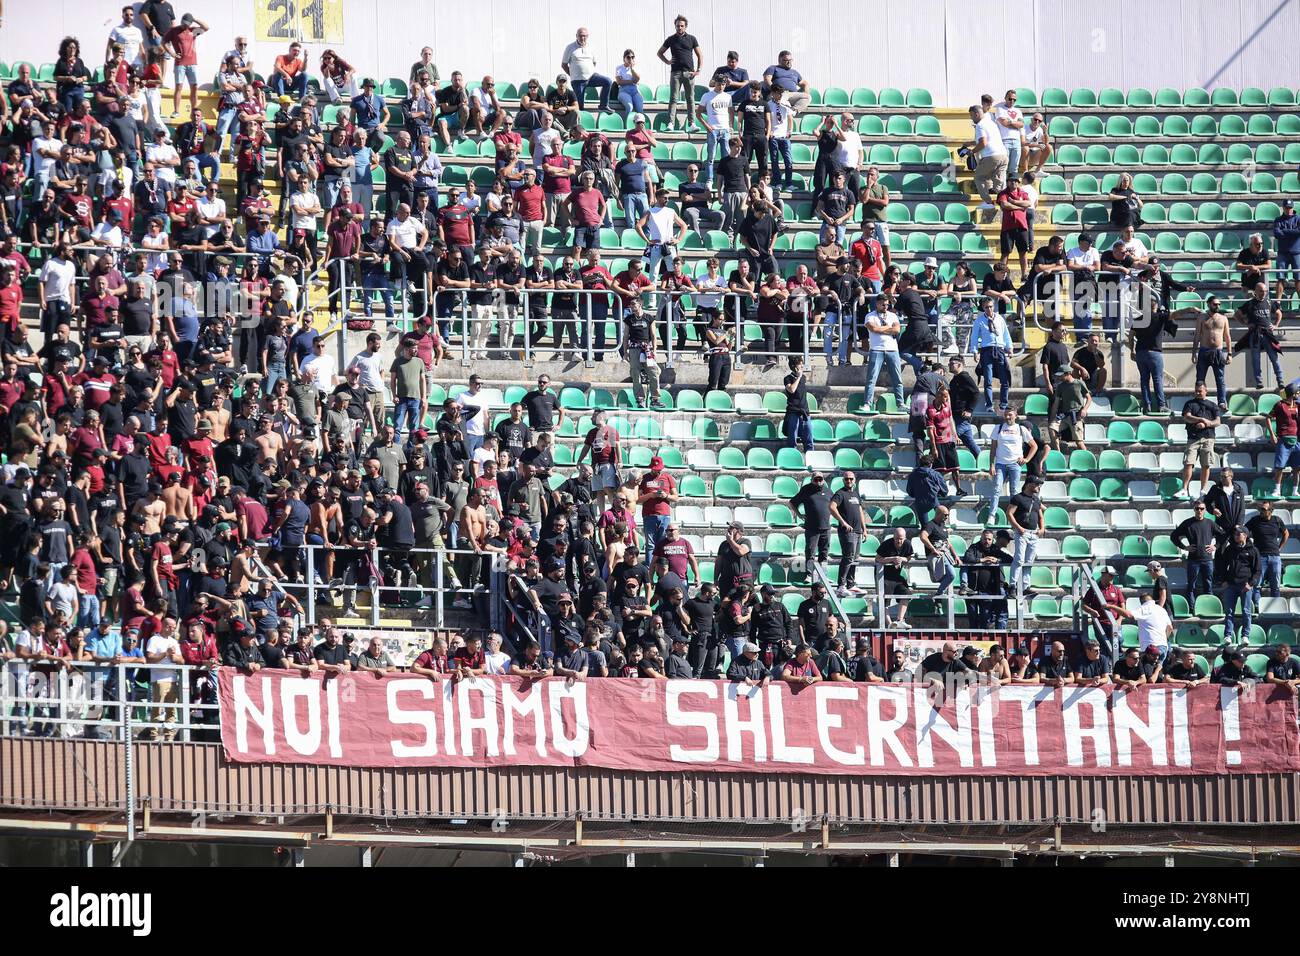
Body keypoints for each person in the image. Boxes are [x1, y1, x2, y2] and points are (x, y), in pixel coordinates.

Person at [987, 406, 1037, 523]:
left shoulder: (1021, 429)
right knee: (996, 489)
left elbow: (1034, 446)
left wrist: (1026, 459)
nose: (1008, 417)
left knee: (1014, 491)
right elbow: (993, 448)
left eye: (1010, 414)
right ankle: (992, 516)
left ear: (1016, 415)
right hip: (1000, 464)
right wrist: (991, 464)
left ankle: (1013, 517)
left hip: (1015, 464)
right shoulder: (998, 428)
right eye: (1006, 414)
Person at [967, 297, 1013, 413]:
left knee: (1005, 379)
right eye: (986, 307)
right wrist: (975, 351)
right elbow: (974, 337)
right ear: (983, 308)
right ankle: (989, 405)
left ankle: (1003, 404)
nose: (989, 309)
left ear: (994, 306)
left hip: (1000, 349)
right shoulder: (979, 321)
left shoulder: (1000, 319)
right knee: (987, 380)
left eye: (991, 306)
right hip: (987, 350)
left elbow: (1005, 334)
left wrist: (1010, 348)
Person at [657, 15, 702, 130]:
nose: (680, 28)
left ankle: (692, 123)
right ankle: (671, 123)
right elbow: (660, 52)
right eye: (678, 26)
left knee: (690, 99)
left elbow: (699, 55)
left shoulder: (692, 39)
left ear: (685, 26)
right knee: (673, 99)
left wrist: (698, 70)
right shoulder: (670, 39)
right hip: (675, 73)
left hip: (689, 73)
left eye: (682, 26)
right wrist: (667, 61)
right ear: (675, 26)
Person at [1217, 525, 1260, 643]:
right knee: (1229, 611)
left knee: (1246, 611)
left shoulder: (1253, 550)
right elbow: (1222, 566)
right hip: (1231, 585)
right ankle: (1228, 635)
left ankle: (1245, 635)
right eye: (1235, 534)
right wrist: (1223, 580)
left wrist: (1250, 584)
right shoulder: (1229, 549)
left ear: (1245, 535)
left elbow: (1257, 570)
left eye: (1238, 534)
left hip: (1245, 586)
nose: (1235, 536)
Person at [965, 103, 1008, 216]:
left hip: (991, 156)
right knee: (998, 182)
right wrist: (968, 143)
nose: (971, 118)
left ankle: (988, 202)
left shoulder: (980, 125)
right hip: (1003, 155)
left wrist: (972, 151)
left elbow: (983, 143)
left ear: (976, 114)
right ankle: (1004, 202)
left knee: (979, 177)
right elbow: (985, 140)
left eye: (971, 116)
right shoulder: (991, 123)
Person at [1171, 500, 1218, 602]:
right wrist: (1184, 547)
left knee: (1208, 585)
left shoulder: (1210, 523)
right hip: (1193, 560)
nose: (1199, 511)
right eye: (1197, 508)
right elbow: (1173, 536)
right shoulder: (1188, 523)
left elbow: (1223, 535)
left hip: (1207, 559)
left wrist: (1215, 546)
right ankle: (1192, 607)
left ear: (1205, 510)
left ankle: (1208, 606)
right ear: (1194, 509)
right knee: (1191, 585)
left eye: (1202, 509)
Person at [1007, 473, 1043, 597]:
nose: (1039, 487)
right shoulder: (1018, 498)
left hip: (1034, 534)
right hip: (1022, 533)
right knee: (1019, 559)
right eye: (1037, 484)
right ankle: (1012, 585)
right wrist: (1018, 527)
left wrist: (1042, 528)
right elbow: (1009, 513)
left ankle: (1026, 586)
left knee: (1029, 561)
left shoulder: (1036, 499)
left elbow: (1040, 516)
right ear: (1029, 484)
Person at [1246, 499, 1288, 603]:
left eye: (1263, 509)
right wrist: (1250, 546)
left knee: (1275, 586)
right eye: (1260, 509)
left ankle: (1276, 607)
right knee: (1257, 585)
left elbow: (1286, 533)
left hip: (1275, 557)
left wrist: (1280, 547)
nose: (1261, 511)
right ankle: (1258, 606)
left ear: (1270, 510)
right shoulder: (1254, 520)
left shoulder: (1277, 520)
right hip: (1260, 557)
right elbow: (1244, 532)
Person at [1193, 298, 1231, 410]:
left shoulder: (1223, 318)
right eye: (1215, 304)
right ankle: (1199, 401)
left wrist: (1229, 353)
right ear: (1209, 304)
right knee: (1200, 378)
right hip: (1204, 350)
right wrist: (1194, 352)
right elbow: (1197, 336)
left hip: (1218, 351)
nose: (1217, 306)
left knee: (1220, 379)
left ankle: (1222, 402)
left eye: (1219, 304)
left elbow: (1227, 337)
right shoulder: (1202, 317)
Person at [790, 473, 832, 572]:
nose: (818, 481)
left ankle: (823, 574)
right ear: (811, 480)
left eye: (820, 479)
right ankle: (809, 573)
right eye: (816, 479)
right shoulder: (806, 489)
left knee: (824, 553)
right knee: (810, 552)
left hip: (826, 528)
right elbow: (792, 502)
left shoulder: (828, 491)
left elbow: (835, 506)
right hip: (811, 528)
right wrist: (799, 515)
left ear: (823, 480)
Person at [874, 526, 913, 629]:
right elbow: (877, 559)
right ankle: (889, 623)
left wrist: (901, 559)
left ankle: (900, 620)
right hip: (884, 575)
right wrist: (892, 559)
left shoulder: (907, 544)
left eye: (901, 539)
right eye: (897, 539)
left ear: (904, 538)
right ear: (893, 537)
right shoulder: (887, 544)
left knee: (906, 593)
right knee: (884, 599)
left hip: (896, 575)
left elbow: (909, 557)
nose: (899, 541)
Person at [1268, 385, 1300, 499]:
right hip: (1283, 439)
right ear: (1293, 393)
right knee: (1279, 467)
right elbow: (1268, 417)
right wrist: (1272, 435)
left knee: (1297, 468)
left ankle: (1295, 491)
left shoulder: (1298, 406)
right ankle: (1277, 490)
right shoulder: (1280, 405)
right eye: (1298, 393)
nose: (1299, 394)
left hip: (1296, 440)